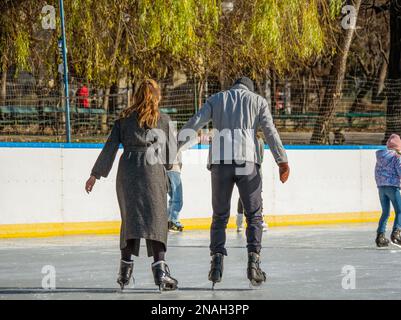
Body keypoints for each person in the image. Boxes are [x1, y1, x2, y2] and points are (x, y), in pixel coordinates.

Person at [179, 77, 290, 288]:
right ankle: (253, 265)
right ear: (249, 88)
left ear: (233, 87)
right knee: (254, 215)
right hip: (247, 160)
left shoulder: (216, 99)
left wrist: (175, 147)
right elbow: (269, 130)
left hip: (220, 161)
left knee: (219, 215)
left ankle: (216, 264)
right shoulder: (258, 101)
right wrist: (281, 160)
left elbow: (195, 122)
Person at [85, 79, 178, 291]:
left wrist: (95, 175)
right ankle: (161, 273)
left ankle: (124, 273)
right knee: (157, 220)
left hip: (127, 171)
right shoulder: (163, 119)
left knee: (130, 220)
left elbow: (109, 147)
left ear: (136, 95)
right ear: (156, 96)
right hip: (152, 171)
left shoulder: (124, 119)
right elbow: (170, 158)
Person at [236, 132, 268, 232]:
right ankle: (243, 221)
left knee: (250, 195)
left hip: (251, 170)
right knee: (250, 195)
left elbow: (260, 158)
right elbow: (260, 158)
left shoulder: (258, 140)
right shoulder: (255, 140)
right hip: (250, 171)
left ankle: (241, 222)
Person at [375, 134, 401, 248]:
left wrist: (380, 183)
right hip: (392, 187)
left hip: (381, 188)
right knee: (400, 211)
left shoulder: (380, 157)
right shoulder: (396, 157)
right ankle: (396, 233)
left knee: (385, 212)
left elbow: (376, 172)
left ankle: (380, 236)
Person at [167, 151, 184, 232]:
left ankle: (167, 221)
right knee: (178, 198)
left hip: (165, 169)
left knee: (173, 198)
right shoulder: (175, 138)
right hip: (174, 167)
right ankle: (173, 221)